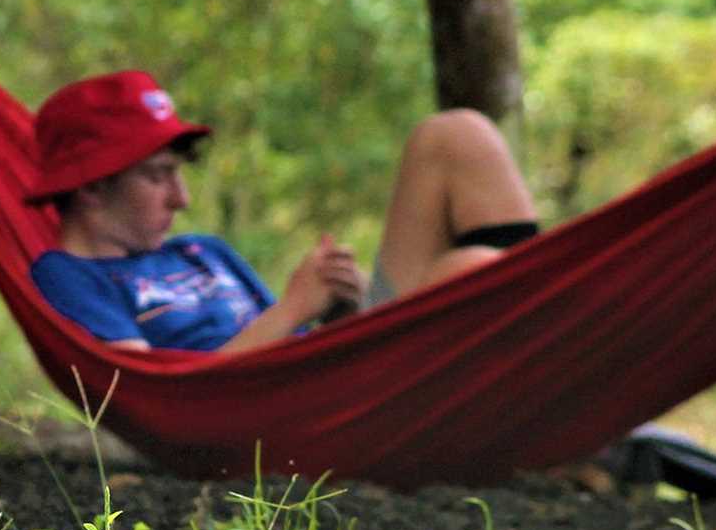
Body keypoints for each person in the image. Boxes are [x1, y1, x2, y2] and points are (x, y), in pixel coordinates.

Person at [26, 70, 539, 352]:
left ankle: (551, 361)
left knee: (458, 135)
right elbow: (158, 399)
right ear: (91, 188)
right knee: (467, 271)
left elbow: (287, 353)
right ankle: (553, 371)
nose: (180, 199)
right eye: (158, 177)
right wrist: (294, 306)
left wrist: (342, 304)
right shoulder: (69, 276)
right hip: (315, 414)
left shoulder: (203, 251)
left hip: (336, 379)